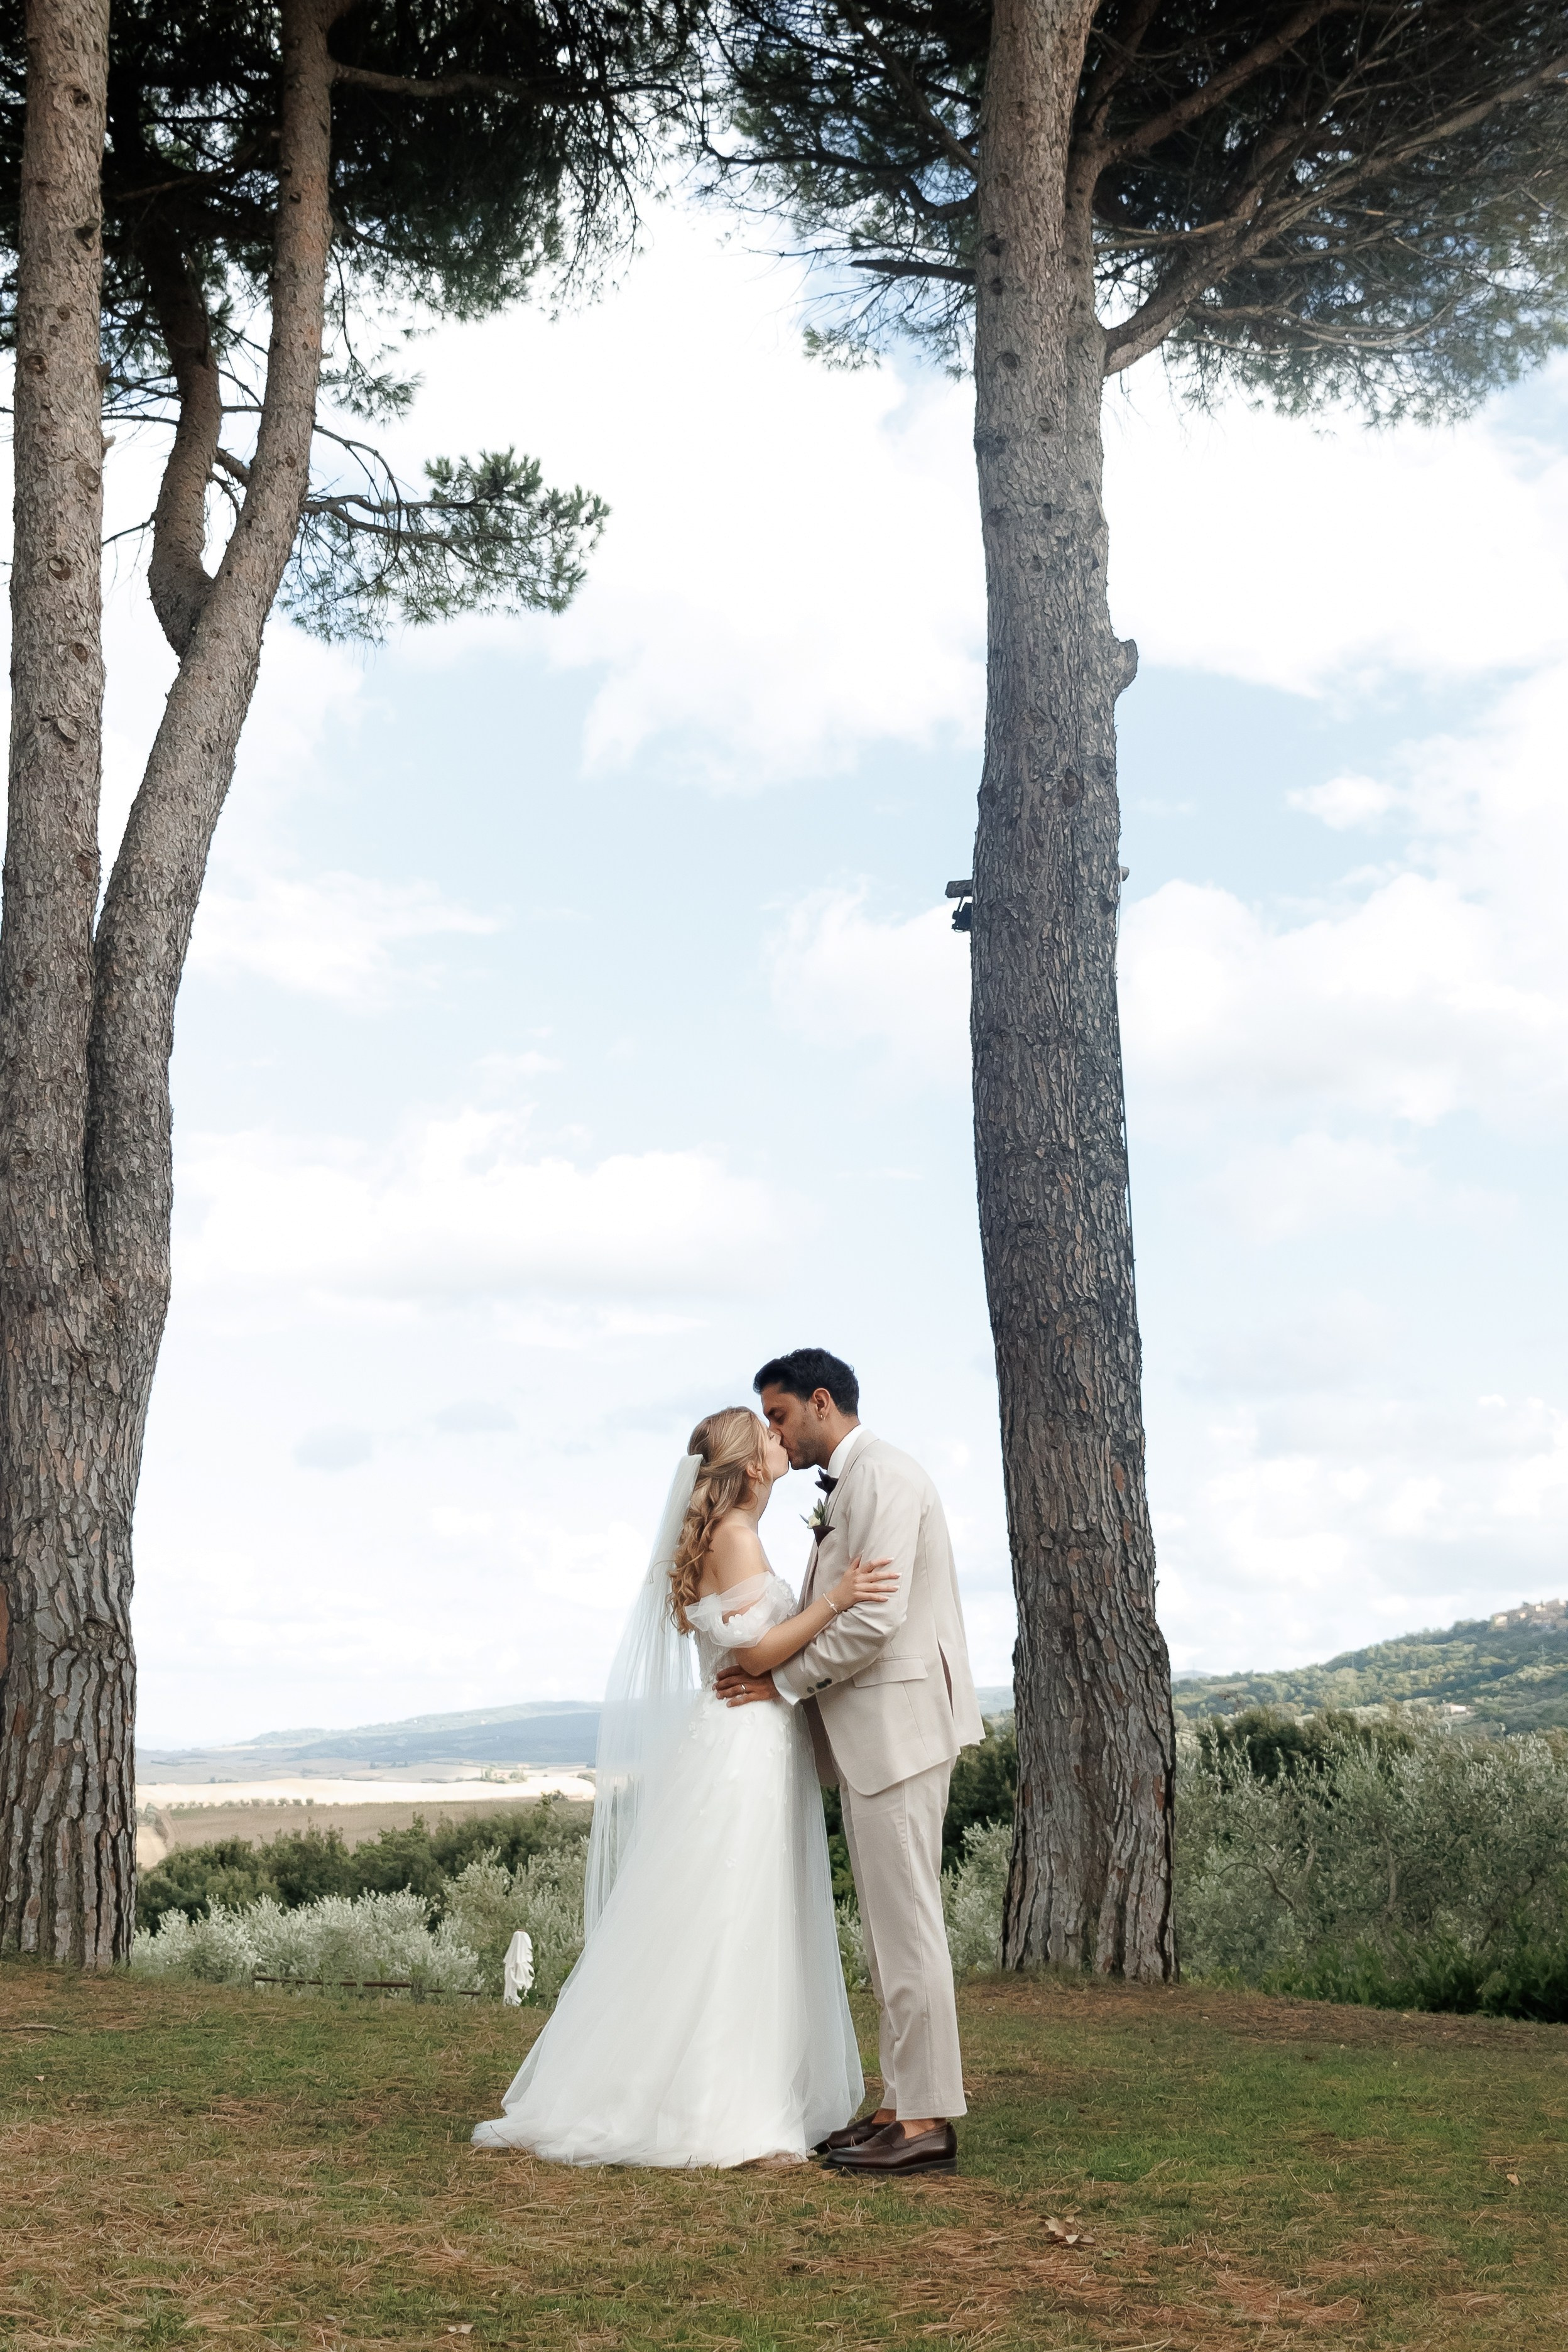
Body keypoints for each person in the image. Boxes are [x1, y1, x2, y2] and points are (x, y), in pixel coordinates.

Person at [471, 1405, 896, 2169]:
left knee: (749, 1909)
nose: (781, 1440)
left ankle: (742, 2091)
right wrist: (839, 1598)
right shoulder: (733, 1538)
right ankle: (721, 2109)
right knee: (734, 1914)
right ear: (751, 1463)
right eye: (768, 1435)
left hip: (754, 1742)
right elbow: (759, 1652)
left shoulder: (741, 1535)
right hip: (741, 1748)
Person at [717, 1347, 983, 2178]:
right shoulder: (854, 1484)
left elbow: (878, 1623)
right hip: (876, 1734)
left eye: (781, 1416)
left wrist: (780, 1680)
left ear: (821, 1402)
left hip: (899, 1732)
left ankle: (928, 2121)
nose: (774, 1434)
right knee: (888, 1933)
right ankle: (900, 2105)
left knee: (909, 1931)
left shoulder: (886, 1479)